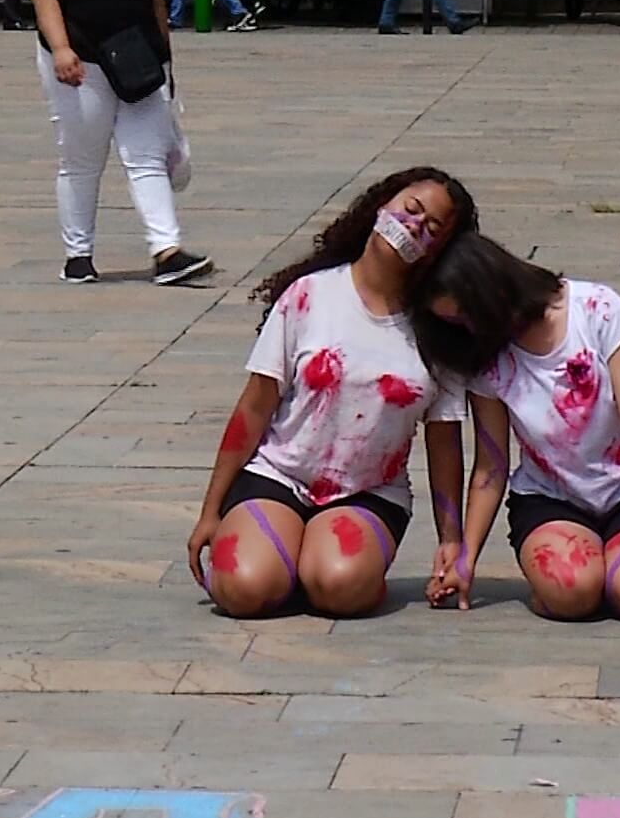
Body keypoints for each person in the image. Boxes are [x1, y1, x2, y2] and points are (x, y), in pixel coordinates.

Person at [185, 167, 478, 618]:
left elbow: (444, 446)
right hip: (279, 476)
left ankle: (313, 565)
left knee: (341, 590)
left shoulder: (439, 333)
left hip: (369, 492)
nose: (414, 225)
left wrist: (451, 540)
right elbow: (255, 406)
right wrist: (210, 510)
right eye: (412, 209)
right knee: (245, 589)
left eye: (432, 227)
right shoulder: (309, 295)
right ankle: (281, 557)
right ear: (382, 205)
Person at [410, 233, 620, 621]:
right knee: (573, 593)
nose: (469, 329)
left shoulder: (596, 309)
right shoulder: (487, 360)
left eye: (468, 314)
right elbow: (490, 467)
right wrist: (465, 558)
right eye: (456, 324)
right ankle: (573, 579)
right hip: (551, 498)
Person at [25, 0, 213, 287]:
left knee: (147, 156)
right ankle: (78, 255)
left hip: (138, 63)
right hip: (82, 61)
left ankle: (166, 251)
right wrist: (62, 50)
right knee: (82, 160)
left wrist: (165, 59)